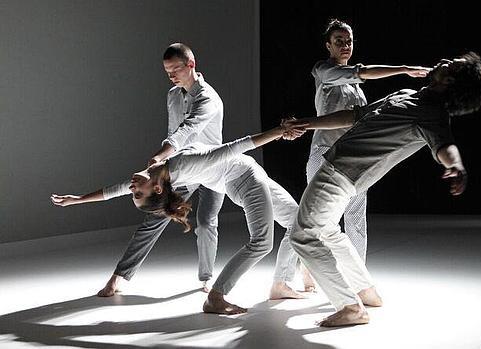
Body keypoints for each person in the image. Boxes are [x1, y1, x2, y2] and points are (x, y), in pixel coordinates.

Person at [285, 52, 481, 326]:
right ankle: (366, 291)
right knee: (327, 230)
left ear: (450, 81)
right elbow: (354, 115)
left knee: (303, 235)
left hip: (342, 173)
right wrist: (307, 123)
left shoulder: (432, 114)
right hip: (339, 168)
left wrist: (456, 164)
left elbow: (444, 145)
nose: (441, 62)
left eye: (449, 65)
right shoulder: (407, 94)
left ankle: (350, 306)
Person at [52, 124, 308, 314]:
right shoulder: (184, 165)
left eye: (134, 193)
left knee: (297, 222)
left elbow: (114, 190)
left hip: (250, 173)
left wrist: (78, 199)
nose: (132, 188)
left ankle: (281, 283)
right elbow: (236, 147)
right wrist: (280, 131)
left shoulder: (158, 170)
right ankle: (216, 296)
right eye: (139, 193)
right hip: (245, 180)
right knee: (262, 243)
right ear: (157, 190)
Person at [289, 19, 432, 294]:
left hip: (353, 158)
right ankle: (308, 271)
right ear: (328, 45)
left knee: (355, 216)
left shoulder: (357, 88)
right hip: (324, 153)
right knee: (318, 217)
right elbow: (361, 72)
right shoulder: (322, 70)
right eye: (339, 41)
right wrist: (403, 69)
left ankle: (358, 281)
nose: (345, 46)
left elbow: (361, 113)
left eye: (349, 41)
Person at [96, 43, 226, 297]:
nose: (172, 76)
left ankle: (206, 279)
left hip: (211, 166)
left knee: (206, 222)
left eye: (176, 69)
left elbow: (187, 130)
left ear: (191, 64)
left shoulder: (208, 97)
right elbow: (173, 132)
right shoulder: (173, 95)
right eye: (167, 72)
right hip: (182, 169)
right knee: (154, 218)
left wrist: (159, 156)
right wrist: (165, 166)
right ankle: (119, 276)